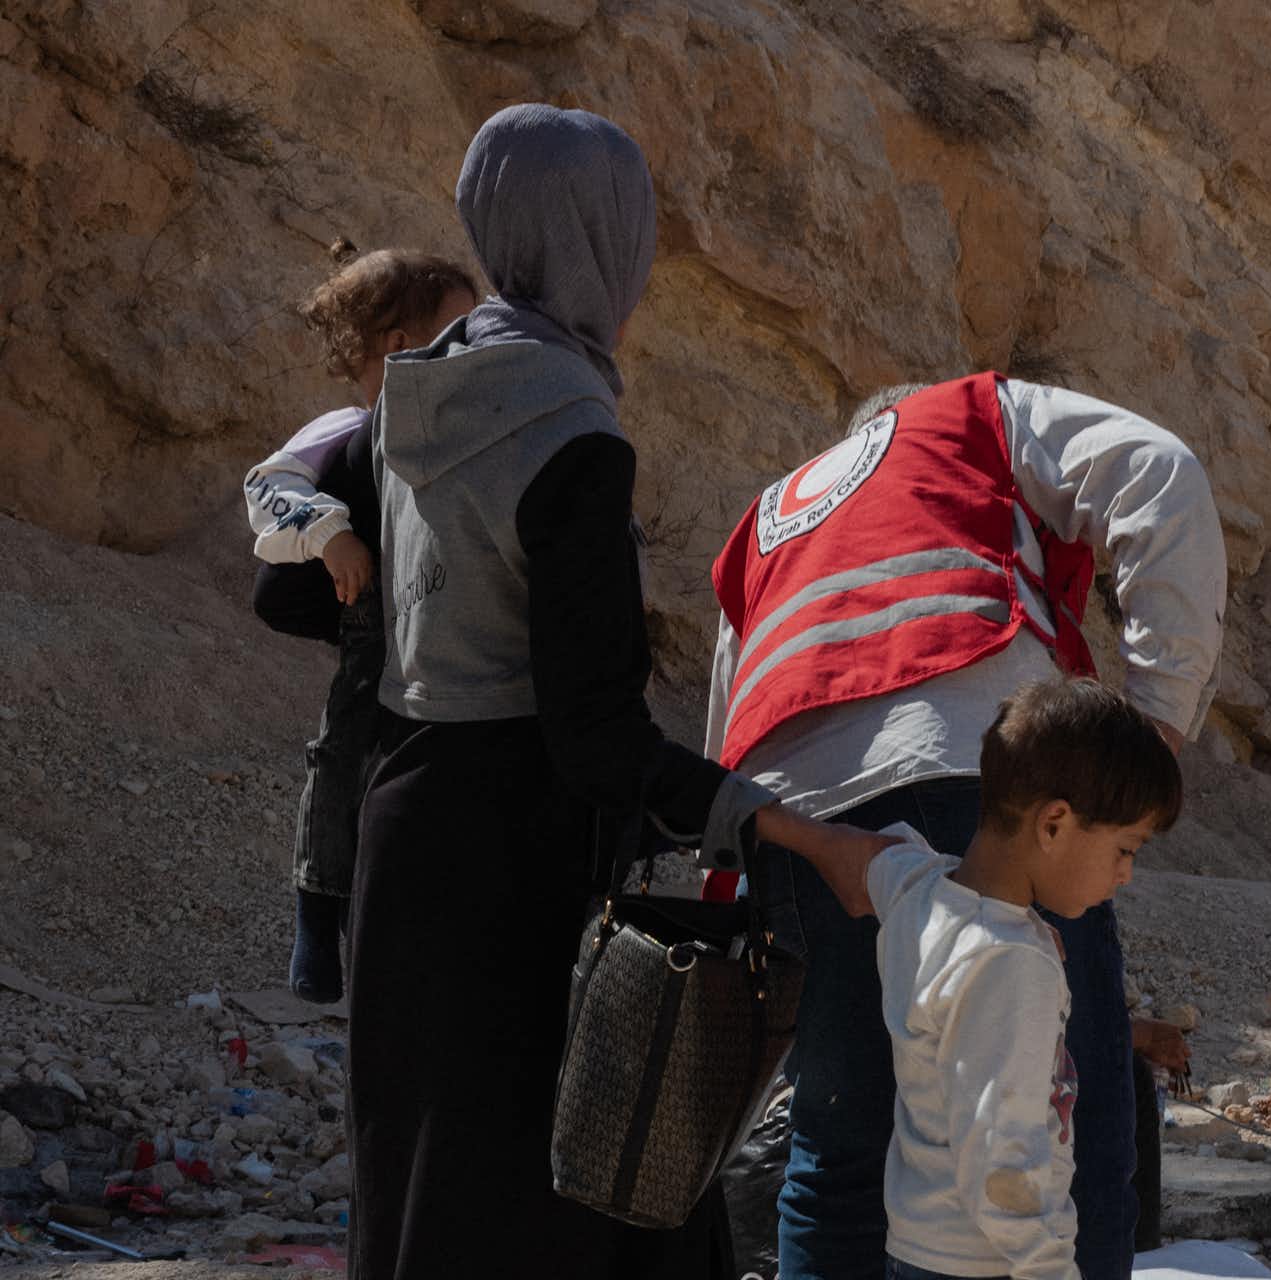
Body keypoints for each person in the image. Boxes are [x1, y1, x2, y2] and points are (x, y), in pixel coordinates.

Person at [332, 104, 885, 1280]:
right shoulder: (573, 429)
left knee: (426, 1184)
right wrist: (794, 831)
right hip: (513, 865)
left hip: (405, 836)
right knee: (586, 1193)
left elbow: (348, 614)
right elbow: (594, 737)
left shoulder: (411, 391)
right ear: (604, 239)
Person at [703, 373, 1224, 1280]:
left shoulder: (771, 515)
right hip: (964, 761)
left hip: (795, 813)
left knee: (837, 1146)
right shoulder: (963, 415)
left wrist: (750, 870)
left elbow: (731, 714)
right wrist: (1147, 745)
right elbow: (1160, 472)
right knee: (1081, 1132)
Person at [863, 677, 1184, 1280]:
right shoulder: (1011, 964)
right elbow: (1005, 1166)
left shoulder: (925, 893)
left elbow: (878, 858)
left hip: (918, 1249)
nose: (1126, 875)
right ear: (1054, 824)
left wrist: (772, 822)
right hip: (987, 1264)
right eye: (1126, 849)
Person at [243, 240, 477, 1003]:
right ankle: (319, 922)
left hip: (443, 635)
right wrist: (331, 535)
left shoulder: (464, 435)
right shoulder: (347, 429)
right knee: (342, 752)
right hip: (370, 620)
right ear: (402, 346)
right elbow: (268, 487)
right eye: (459, 334)